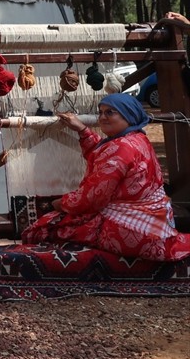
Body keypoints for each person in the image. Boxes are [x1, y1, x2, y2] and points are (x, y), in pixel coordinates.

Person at [21, 93, 190, 261]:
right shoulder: (137, 138)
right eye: (100, 112)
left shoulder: (122, 148)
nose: (102, 117)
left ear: (128, 115)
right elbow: (103, 156)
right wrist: (82, 130)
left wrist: (62, 204)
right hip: (155, 223)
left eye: (110, 112)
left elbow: (94, 197)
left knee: (44, 228)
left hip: (134, 232)